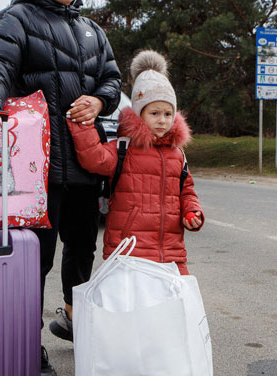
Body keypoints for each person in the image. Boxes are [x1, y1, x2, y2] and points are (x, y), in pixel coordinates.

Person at [0, 0, 121, 376]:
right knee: (34, 258)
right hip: (34, 168)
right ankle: (26, 343)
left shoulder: (92, 31)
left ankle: (77, 323)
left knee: (82, 251)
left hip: (83, 162)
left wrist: (98, 100)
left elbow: (112, 79)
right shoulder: (16, 18)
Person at [67, 50, 204, 272]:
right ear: (139, 114)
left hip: (170, 252)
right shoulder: (124, 148)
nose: (162, 120)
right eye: (155, 113)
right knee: (132, 306)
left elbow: (186, 191)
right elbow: (94, 158)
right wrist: (81, 124)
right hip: (129, 250)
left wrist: (192, 212)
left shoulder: (177, 154)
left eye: (168, 114)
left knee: (171, 305)